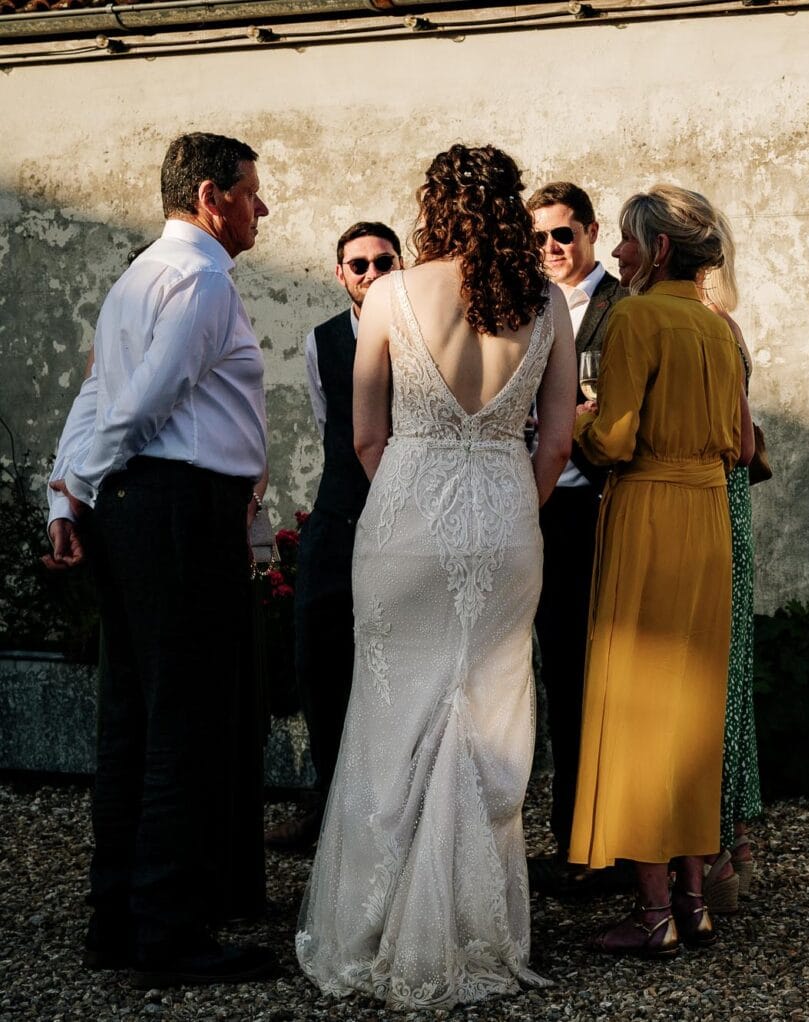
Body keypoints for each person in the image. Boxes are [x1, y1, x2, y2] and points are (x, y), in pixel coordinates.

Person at [296, 144, 574, 1010]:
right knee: (486, 714)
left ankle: (376, 929)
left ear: (434, 206)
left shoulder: (386, 294)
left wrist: (414, 508)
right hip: (504, 517)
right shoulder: (550, 301)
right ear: (509, 207)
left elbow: (366, 437)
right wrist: (503, 507)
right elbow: (558, 442)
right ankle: (473, 931)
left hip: (407, 514)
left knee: (393, 717)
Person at [42, 131, 277, 987]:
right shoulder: (204, 280)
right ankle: (169, 935)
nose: (263, 208)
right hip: (177, 508)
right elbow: (140, 400)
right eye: (253, 192)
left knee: (131, 719)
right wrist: (85, 486)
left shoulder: (134, 278)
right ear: (212, 197)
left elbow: (95, 394)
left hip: (137, 507)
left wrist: (68, 497)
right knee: (181, 724)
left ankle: (118, 921)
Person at [567, 184, 752, 957]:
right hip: (707, 513)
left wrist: (574, 421)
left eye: (629, 241)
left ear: (662, 249)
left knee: (638, 700)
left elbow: (612, 440)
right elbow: (739, 442)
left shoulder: (638, 317)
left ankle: (651, 915)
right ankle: (693, 898)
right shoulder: (718, 327)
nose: (620, 254)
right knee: (693, 706)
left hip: (649, 509)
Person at [266, 221, 402, 853]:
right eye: (358, 265)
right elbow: (332, 429)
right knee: (319, 653)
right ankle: (328, 802)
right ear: (340, 273)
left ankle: (394, 811)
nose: (371, 273)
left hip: (407, 517)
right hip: (340, 514)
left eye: (383, 261)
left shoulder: (424, 336)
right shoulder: (320, 342)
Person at [524, 182, 627, 892]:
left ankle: (600, 850)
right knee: (556, 680)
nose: (552, 250)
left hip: (598, 507)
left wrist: (587, 415)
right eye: (539, 239)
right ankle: (571, 841)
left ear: (590, 231)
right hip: (535, 507)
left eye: (563, 235)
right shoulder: (526, 307)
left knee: (595, 683)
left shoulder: (625, 310)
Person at [696, 244, 762, 915]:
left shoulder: (704, 326)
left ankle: (715, 849)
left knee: (710, 674)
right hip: (731, 503)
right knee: (730, 674)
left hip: (706, 499)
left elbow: (738, 442)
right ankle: (734, 845)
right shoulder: (722, 324)